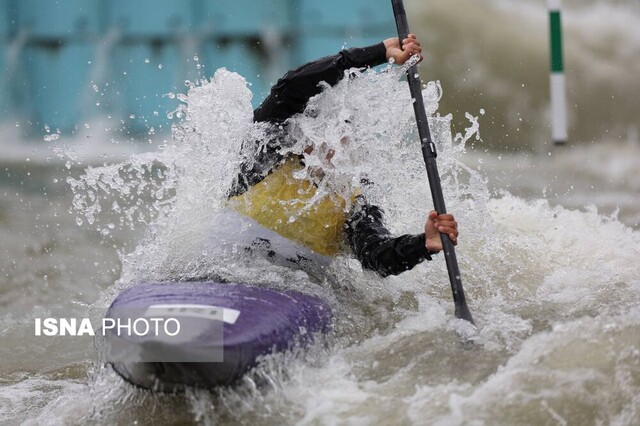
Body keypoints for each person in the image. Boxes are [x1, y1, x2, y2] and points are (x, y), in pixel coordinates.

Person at [225, 35, 459, 277]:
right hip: (220, 270)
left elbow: (376, 256)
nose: (332, 148)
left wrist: (423, 244)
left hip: (293, 290)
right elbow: (291, 87)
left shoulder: (354, 200)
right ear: (303, 133)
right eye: (322, 134)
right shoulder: (265, 154)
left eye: (342, 137)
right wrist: (379, 52)